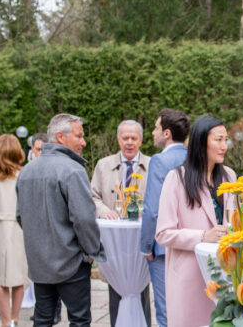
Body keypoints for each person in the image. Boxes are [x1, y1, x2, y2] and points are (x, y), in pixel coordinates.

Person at [16, 113, 106, 326]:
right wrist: (92, 251)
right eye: (79, 136)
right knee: (79, 320)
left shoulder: (27, 171)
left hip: (40, 263)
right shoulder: (73, 170)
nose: (83, 142)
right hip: (71, 262)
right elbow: (84, 219)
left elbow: (21, 217)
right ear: (60, 137)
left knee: (43, 319)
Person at [155, 116, 237, 327]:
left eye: (226, 140)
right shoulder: (177, 179)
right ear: (201, 141)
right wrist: (202, 237)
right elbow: (163, 233)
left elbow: (234, 223)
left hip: (225, 276)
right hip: (190, 279)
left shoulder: (230, 176)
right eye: (218, 139)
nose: (224, 146)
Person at [90, 120, 151, 327]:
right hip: (114, 242)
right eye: (125, 138)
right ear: (118, 139)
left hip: (140, 243)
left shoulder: (153, 165)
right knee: (116, 287)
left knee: (141, 288)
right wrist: (105, 211)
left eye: (134, 138)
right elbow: (93, 197)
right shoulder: (103, 165)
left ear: (141, 140)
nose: (130, 142)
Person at [140, 109, 190, 327]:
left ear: (167, 133)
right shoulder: (196, 158)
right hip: (192, 242)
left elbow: (152, 209)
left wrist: (146, 246)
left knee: (166, 312)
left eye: (156, 128)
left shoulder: (159, 161)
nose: (153, 133)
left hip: (165, 247)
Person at [24, 132, 63, 324]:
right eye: (37, 149)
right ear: (32, 150)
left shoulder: (58, 171)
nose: (40, 153)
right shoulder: (27, 173)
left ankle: (55, 311)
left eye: (43, 149)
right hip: (36, 235)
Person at [0, 134, 29, 327]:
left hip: (1, 227)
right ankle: (15, 319)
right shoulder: (25, 176)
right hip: (20, 228)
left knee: (0, 279)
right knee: (19, 277)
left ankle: (5, 320)